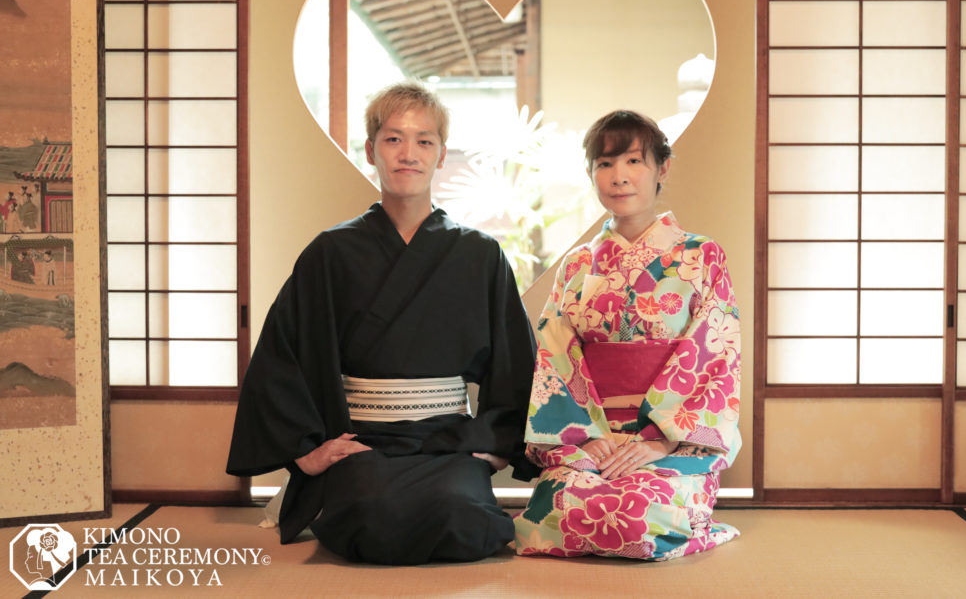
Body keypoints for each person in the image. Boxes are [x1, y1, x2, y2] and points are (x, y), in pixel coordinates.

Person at [226, 82, 536, 565]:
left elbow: (515, 362)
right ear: (371, 150)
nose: (408, 154)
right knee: (370, 515)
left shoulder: (479, 254)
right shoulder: (331, 252)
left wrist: (497, 444)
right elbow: (282, 354)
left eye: (424, 141)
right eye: (393, 139)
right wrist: (306, 450)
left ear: (441, 154)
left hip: (447, 440)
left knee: (462, 515)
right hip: (363, 440)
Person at [513, 110, 741, 561]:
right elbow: (556, 356)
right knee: (558, 509)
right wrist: (581, 438)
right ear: (591, 173)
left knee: (636, 517)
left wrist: (660, 438)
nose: (619, 177)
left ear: (663, 168)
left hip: (671, 438)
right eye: (604, 164)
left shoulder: (702, 256)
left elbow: (716, 355)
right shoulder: (578, 264)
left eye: (634, 161)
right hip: (592, 437)